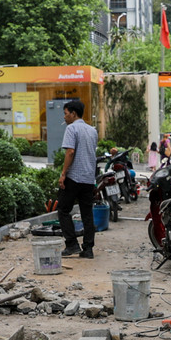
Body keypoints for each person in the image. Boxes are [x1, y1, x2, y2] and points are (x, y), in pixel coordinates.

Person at [56, 98, 97, 259]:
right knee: (87, 213)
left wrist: (63, 174)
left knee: (63, 210)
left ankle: (72, 244)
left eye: (66, 114)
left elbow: (70, 152)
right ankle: (88, 249)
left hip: (74, 177)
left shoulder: (72, 129)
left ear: (73, 114)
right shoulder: (92, 130)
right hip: (88, 178)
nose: (64, 117)